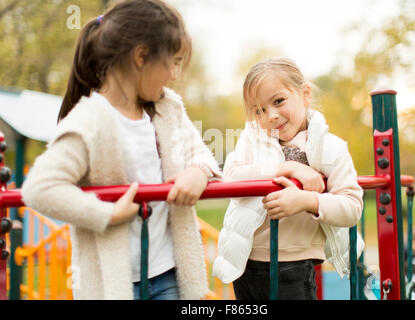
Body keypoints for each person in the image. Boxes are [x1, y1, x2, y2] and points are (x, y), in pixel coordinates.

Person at [21, 0, 221, 300]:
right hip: (111, 284)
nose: (174, 75)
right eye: (173, 62)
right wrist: (108, 213)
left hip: (169, 274)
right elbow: (39, 188)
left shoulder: (167, 109)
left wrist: (198, 172)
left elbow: (200, 153)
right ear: (142, 56)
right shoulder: (89, 120)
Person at [213, 58, 364, 300]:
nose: (270, 115)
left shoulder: (331, 148)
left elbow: (352, 207)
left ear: (305, 93)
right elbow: (231, 178)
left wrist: (307, 201)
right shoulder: (251, 139)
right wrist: (288, 168)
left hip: (293, 266)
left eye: (278, 101)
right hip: (245, 264)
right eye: (259, 110)